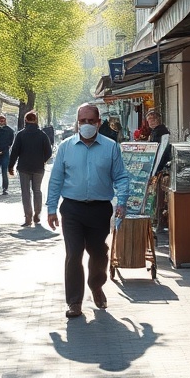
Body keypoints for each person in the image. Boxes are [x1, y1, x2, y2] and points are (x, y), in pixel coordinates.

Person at [46, 102, 130, 319]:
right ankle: (74, 302)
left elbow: (120, 176)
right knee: (73, 254)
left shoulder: (111, 147)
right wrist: (51, 208)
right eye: (82, 121)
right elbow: (55, 179)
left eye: (90, 121)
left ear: (98, 123)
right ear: (77, 123)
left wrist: (122, 201)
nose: (86, 125)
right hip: (72, 209)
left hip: (100, 209)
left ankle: (96, 285)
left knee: (98, 253)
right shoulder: (65, 147)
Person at [8, 110, 53, 227]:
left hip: (23, 168)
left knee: (26, 192)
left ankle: (28, 217)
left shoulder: (20, 134)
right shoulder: (42, 135)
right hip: (38, 168)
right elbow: (49, 152)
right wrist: (42, 160)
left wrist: (10, 166)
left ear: (25, 120)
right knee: (37, 191)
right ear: (36, 120)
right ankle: (37, 214)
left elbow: (14, 152)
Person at [0, 114, 15, 195]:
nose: (1, 121)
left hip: (2, 153)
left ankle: (1, 188)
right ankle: (0, 187)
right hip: (1, 153)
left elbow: (10, 143)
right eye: (0, 120)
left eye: (3, 120)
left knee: (1, 171)